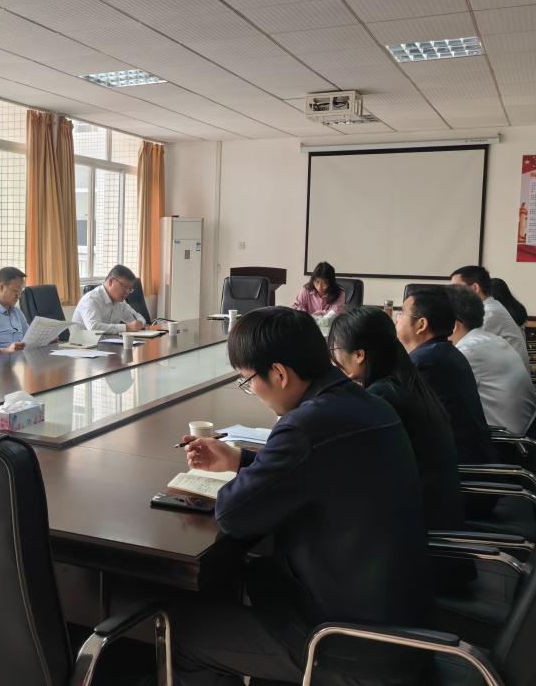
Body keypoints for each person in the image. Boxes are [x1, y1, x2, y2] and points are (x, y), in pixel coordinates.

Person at [174, 307, 432, 686]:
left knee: (184, 634)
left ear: (279, 374)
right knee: (250, 573)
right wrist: (241, 460)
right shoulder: (366, 402)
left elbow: (233, 514)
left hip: (347, 640)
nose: (252, 392)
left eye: (248, 381)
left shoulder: (304, 427)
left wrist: (236, 479)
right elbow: (320, 470)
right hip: (398, 620)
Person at [329, 308, 464, 531]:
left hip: (416, 527)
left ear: (359, 355)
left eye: (335, 350)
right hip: (436, 511)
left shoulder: (382, 397)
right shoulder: (405, 381)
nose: (334, 361)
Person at [395, 288, 495, 464]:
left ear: (421, 325)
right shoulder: (444, 352)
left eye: (402, 313)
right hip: (464, 456)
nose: (397, 319)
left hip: (458, 466)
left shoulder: (426, 363)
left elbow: (397, 415)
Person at [447, 287, 536, 437]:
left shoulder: (468, 351)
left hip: (502, 441)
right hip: (518, 434)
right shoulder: (490, 339)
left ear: (454, 325)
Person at [450, 265, 529, 370]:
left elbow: (460, 349)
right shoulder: (489, 308)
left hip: (505, 375)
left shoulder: (489, 313)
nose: (452, 294)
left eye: (455, 288)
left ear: (475, 288)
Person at [72, 264, 149, 334]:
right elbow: (94, 327)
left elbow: (136, 317)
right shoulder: (91, 299)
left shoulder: (120, 302)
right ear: (111, 282)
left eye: (130, 289)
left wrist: (140, 323)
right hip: (83, 344)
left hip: (106, 342)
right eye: (125, 287)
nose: (127, 292)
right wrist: (126, 327)